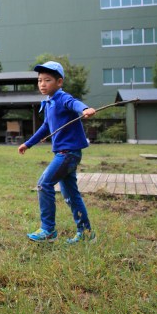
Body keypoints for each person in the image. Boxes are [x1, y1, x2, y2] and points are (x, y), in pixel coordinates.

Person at [18, 61, 97, 244]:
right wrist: (28, 144)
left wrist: (85, 109)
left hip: (68, 153)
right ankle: (86, 233)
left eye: (47, 80)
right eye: (39, 80)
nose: (42, 84)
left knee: (44, 184)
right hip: (64, 154)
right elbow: (45, 127)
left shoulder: (62, 98)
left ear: (59, 82)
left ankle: (48, 230)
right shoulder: (49, 103)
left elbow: (74, 103)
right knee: (70, 194)